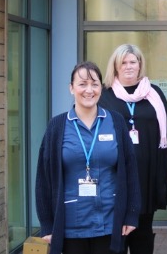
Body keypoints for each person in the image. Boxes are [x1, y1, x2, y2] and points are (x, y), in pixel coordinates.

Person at [36, 61, 141, 254]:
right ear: (71, 88)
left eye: (95, 84)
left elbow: (131, 169)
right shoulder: (57, 126)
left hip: (110, 222)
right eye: (82, 84)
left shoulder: (116, 121)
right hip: (70, 225)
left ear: (101, 88)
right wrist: (47, 224)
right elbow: (43, 178)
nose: (89, 90)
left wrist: (131, 214)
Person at [99, 44, 167, 254]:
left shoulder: (154, 94)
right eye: (123, 62)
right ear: (115, 66)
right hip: (115, 175)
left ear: (140, 64)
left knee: (143, 231)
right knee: (117, 233)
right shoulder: (104, 95)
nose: (128, 66)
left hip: (147, 175)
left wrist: (165, 170)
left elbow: (166, 134)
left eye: (133, 61)